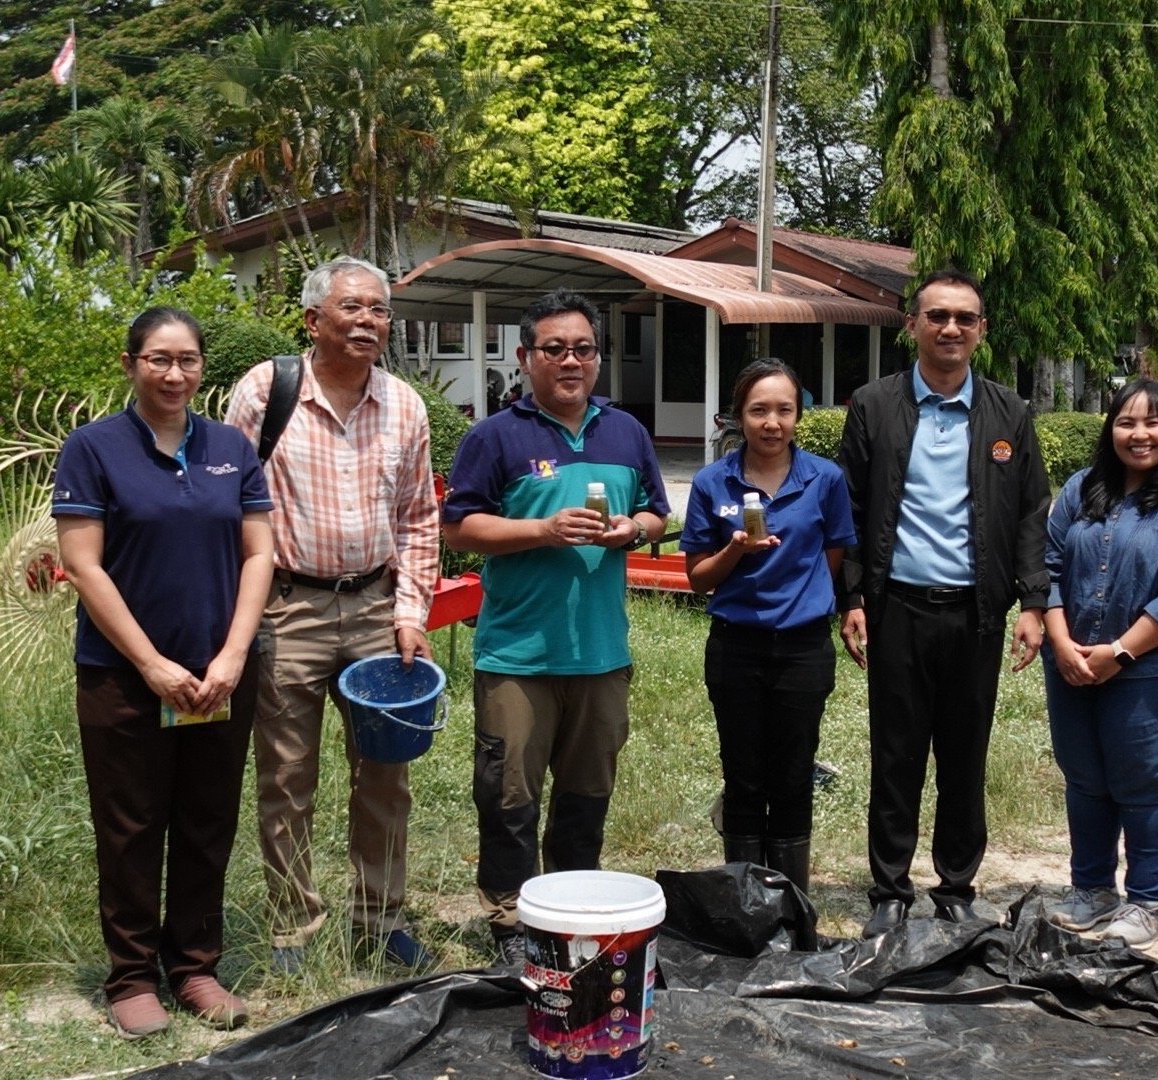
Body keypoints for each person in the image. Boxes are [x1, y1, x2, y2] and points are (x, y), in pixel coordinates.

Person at [53, 307, 274, 1037]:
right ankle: (131, 976)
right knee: (130, 826)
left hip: (217, 678)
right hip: (123, 678)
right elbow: (83, 564)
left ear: (203, 367)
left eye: (187, 360)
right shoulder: (94, 449)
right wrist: (149, 664)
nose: (174, 374)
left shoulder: (230, 449)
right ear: (130, 365)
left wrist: (234, 656)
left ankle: (195, 968)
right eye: (158, 359)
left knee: (207, 821)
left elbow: (258, 554)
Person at [225, 257, 440, 976]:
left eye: (379, 310)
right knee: (286, 776)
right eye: (352, 308)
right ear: (313, 319)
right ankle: (293, 927)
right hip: (289, 608)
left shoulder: (405, 406)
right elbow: (230, 509)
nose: (368, 321)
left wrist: (412, 611)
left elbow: (418, 520)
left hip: (379, 609)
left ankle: (379, 921)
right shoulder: (265, 392)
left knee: (385, 774)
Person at [442, 287, 669, 964]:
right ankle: (512, 925)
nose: (571, 360)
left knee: (586, 795)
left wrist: (635, 529)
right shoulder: (494, 436)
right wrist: (541, 529)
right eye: (555, 349)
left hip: (600, 654)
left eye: (584, 349)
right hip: (519, 654)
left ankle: (570, 912)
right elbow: (459, 527)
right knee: (509, 798)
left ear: (597, 358)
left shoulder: (625, 432)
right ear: (526, 357)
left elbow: (658, 511)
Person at [837, 269, 1050, 938]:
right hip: (896, 606)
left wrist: (1034, 604)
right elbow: (850, 505)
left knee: (965, 753)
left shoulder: (1008, 412)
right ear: (913, 326)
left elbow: (1030, 514)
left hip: (976, 613)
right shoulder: (874, 405)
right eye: (937, 316)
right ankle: (890, 888)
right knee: (895, 752)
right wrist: (852, 599)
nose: (950, 328)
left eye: (964, 317)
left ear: (981, 330)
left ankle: (957, 884)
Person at [1041, 379, 1158, 946]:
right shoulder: (1080, 488)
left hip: (1153, 670)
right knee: (1086, 780)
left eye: (1154, 422)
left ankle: (1149, 900)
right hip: (1071, 663)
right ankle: (1092, 889)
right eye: (1127, 422)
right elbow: (1045, 568)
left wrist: (1121, 651)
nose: (1140, 434)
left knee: (1144, 782)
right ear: (1110, 429)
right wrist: (1063, 644)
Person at [679, 359, 856, 894]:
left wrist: (800, 601)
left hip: (803, 648)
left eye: (784, 410)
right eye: (759, 410)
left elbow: (833, 556)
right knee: (743, 775)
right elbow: (699, 580)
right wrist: (735, 549)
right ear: (739, 417)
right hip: (736, 646)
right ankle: (744, 898)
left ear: (798, 416)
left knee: (794, 772)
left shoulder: (825, 479)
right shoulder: (714, 482)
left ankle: (789, 900)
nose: (771, 423)